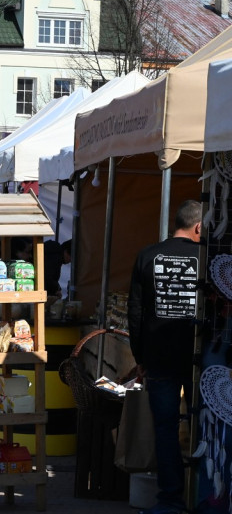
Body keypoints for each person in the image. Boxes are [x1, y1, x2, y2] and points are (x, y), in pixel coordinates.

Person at [128, 200, 202, 514]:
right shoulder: (206, 257)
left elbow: (135, 313)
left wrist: (140, 357)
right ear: (199, 227)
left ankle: (170, 499)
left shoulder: (147, 255)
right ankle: (206, 494)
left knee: (165, 429)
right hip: (200, 358)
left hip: (158, 355)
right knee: (205, 424)